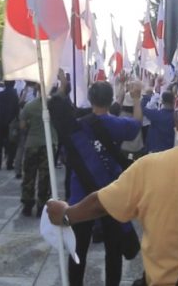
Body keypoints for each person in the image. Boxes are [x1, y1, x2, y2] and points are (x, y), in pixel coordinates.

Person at [46, 57, 178, 286]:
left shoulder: (149, 167)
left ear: (177, 122)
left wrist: (67, 214)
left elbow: (100, 204)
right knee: (113, 251)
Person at [52, 77, 142, 286]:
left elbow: (66, 154)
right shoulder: (118, 125)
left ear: (90, 99)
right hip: (111, 194)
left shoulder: (76, 126)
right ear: (110, 100)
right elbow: (137, 124)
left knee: (78, 249)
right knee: (113, 250)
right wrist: (136, 98)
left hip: (79, 195)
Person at [18, 81, 55, 217]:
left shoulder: (29, 106)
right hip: (49, 144)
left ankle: (27, 204)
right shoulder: (54, 106)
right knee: (45, 176)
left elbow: (22, 126)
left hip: (32, 143)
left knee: (29, 175)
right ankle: (42, 205)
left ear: (37, 89)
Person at [0, 80, 19, 170]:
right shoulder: (15, 96)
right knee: (11, 143)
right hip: (11, 122)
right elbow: (17, 110)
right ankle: (9, 163)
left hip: (0, 121)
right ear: (14, 84)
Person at [141, 89, 176, 154]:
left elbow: (142, 108)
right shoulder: (177, 116)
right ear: (174, 101)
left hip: (155, 151)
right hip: (170, 151)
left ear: (162, 101)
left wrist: (147, 96)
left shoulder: (156, 115)